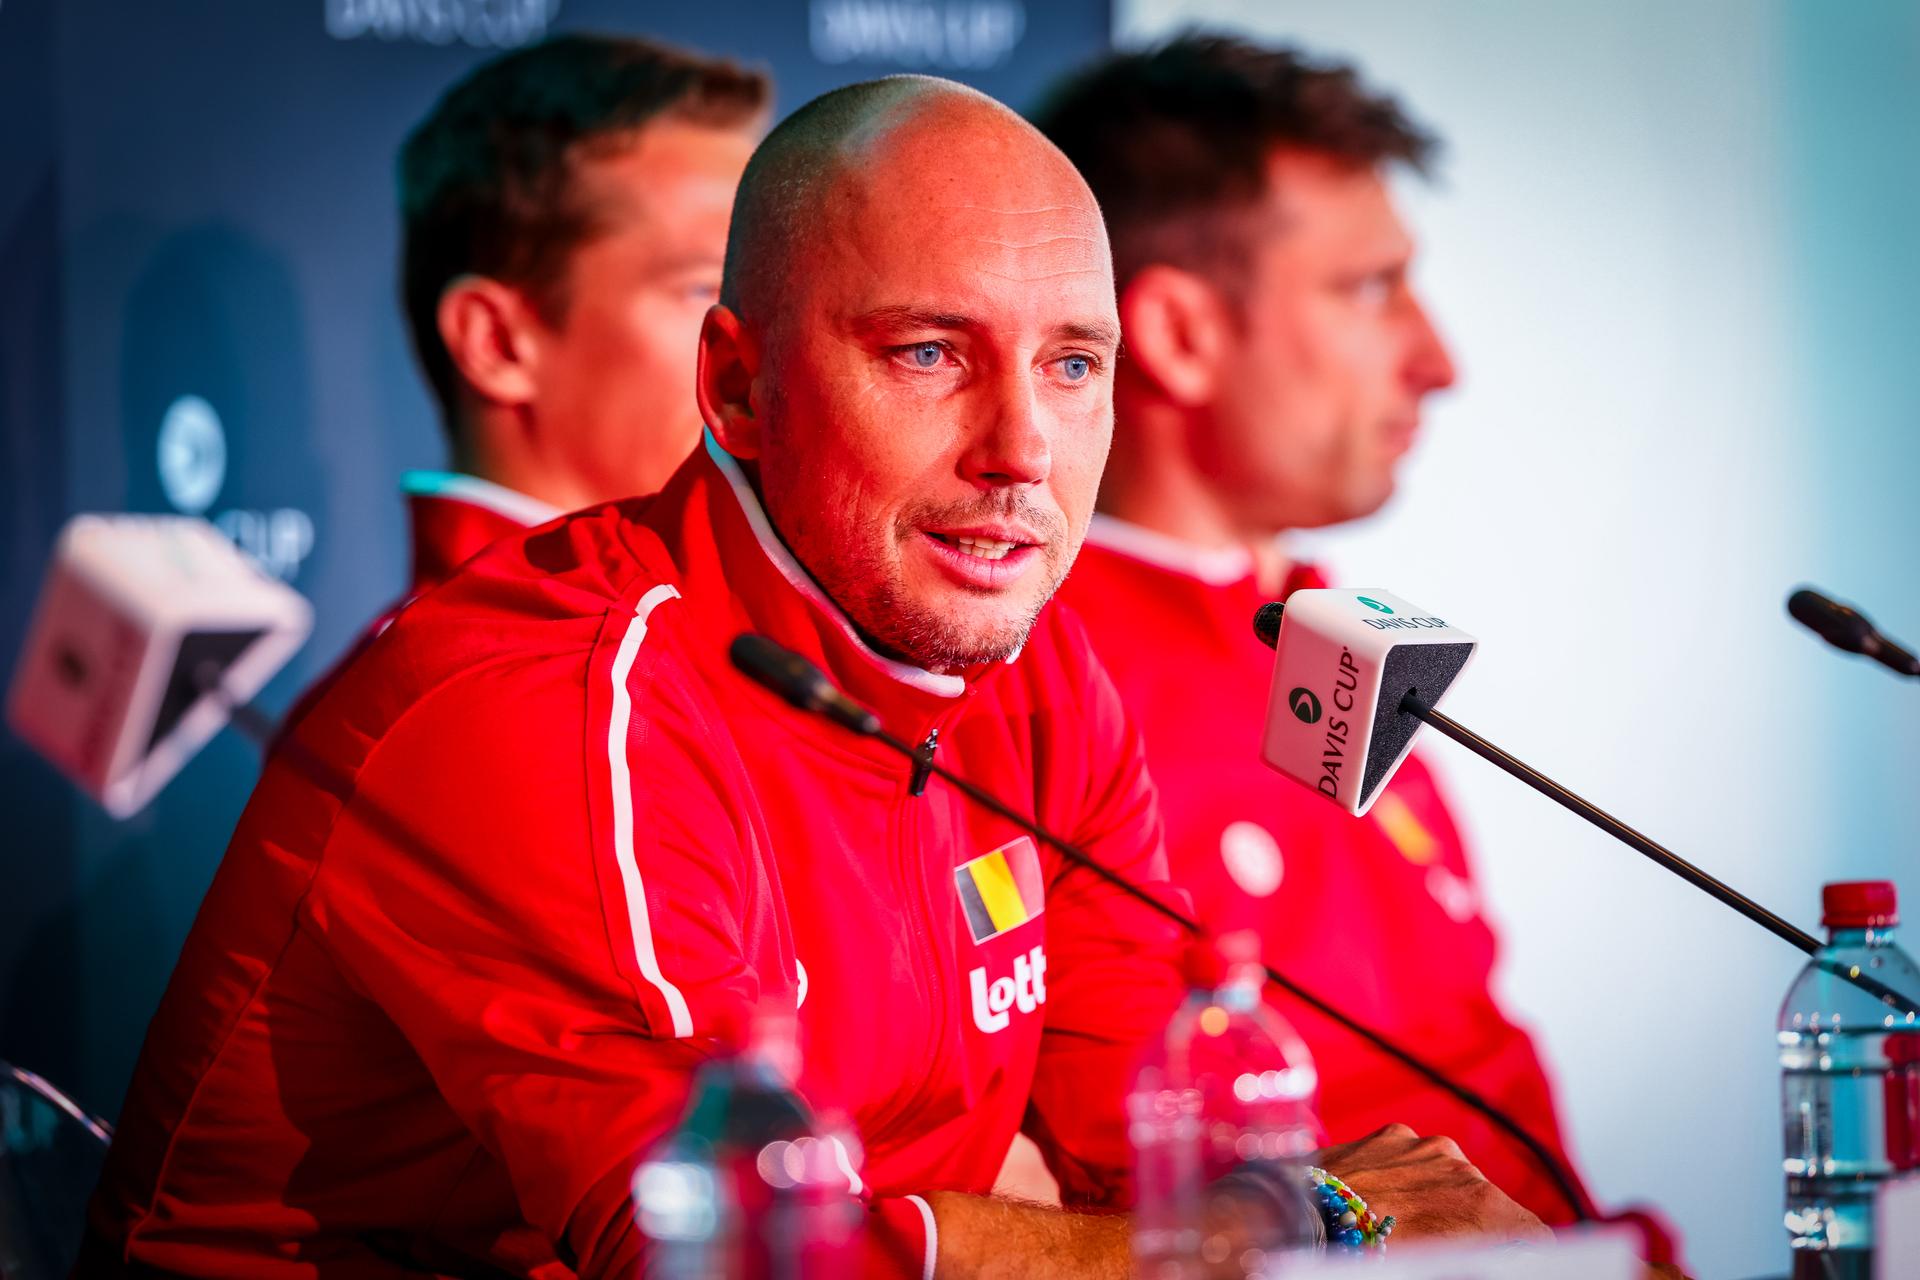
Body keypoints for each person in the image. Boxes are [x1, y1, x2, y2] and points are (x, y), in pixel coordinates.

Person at [83, 75, 1545, 1278]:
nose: (1022, 453)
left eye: (1072, 366)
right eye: (928, 354)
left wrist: (1293, 1224)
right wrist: (1285, 1228)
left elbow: (1168, 1156)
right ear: (737, 385)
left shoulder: (1039, 673)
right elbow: (739, 1253)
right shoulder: (549, 703)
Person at [1037, 33, 1638, 1239]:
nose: (1438, 361)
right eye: (1370, 288)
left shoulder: (1332, 624)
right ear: (1181, 335)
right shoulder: (1034, 684)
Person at [390, 33, 765, 619]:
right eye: (706, 290)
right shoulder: (451, 670)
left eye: (772, 292)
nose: (764, 344)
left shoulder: (690, 636)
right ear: (496, 343)